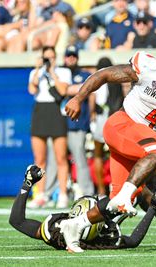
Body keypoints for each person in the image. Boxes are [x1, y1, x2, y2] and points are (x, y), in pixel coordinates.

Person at [64, 31, 156, 252]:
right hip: (121, 124)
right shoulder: (150, 67)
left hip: (138, 139)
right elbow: (104, 75)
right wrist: (78, 97)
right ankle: (128, 198)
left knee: (116, 203)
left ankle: (73, 225)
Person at [9, 165, 156, 251]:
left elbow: (17, 221)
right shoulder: (100, 240)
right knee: (137, 191)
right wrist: (153, 207)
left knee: (133, 193)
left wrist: (28, 183)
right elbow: (133, 240)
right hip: (103, 225)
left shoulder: (56, 230)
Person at [27, 46, 71, 209]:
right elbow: (32, 89)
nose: (49, 60)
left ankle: (63, 194)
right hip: (40, 111)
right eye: (46, 57)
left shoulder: (64, 72)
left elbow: (63, 90)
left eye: (51, 57)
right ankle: (40, 194)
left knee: (60, 157)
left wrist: (52, 72)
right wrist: (39, 70)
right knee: (40, 159)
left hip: (55, 111)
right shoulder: (35, 73)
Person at [90, 57, 125, 196]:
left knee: (98, 154)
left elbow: (94, 100)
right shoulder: (116, 81)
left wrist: (92, 113)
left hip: (100, 117)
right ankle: (116, 188)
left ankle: (100, 190)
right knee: (116, 155)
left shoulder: (98, 79)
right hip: (114, 118)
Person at [64, 45, 94, 197]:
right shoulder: (60, 73)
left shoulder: (83, 75)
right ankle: (58, 192)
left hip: (77, 124)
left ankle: (87, 191)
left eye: (73, 56)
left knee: (79, 158)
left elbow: (88, 90)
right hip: (58, 125)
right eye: (68, 56)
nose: (71, 59)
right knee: (58, 161)